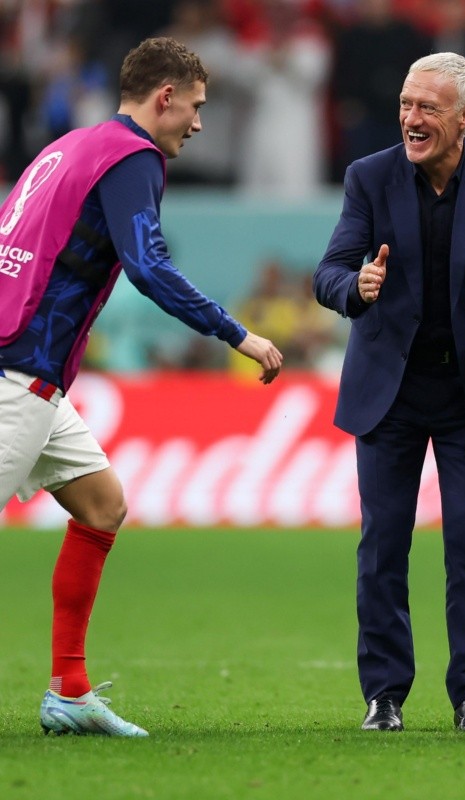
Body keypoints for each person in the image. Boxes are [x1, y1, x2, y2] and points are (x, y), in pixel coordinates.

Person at [0, 36, 283, 737]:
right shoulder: (132, 157)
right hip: (19, 374)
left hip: (28, 368)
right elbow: (149, 267)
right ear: (165, 96)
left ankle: (68, 692)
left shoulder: (73, 144)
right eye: (195, 106)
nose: (197, 122)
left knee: (101, 504)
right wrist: (236, 334)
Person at [313, 52, 465, 732]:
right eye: (405, 104)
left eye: (426, 108)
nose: (410, 119)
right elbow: (330, 269)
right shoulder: (369, 175)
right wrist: (353, 288)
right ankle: (384, 695)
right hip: (388, 389)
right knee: (383, 545)